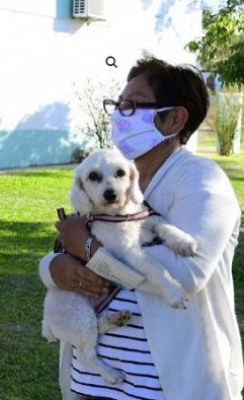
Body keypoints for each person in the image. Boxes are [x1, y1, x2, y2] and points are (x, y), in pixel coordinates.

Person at [39, 56, 243, 399]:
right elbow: (67, 246)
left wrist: (90, 250)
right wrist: (53, 268)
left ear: (174, 118)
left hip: (164, 388)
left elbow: (185, 274)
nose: (119, 116)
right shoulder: (111, 179)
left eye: (132, 106)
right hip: (92, 384)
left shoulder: (201, 181)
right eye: (117, 106)